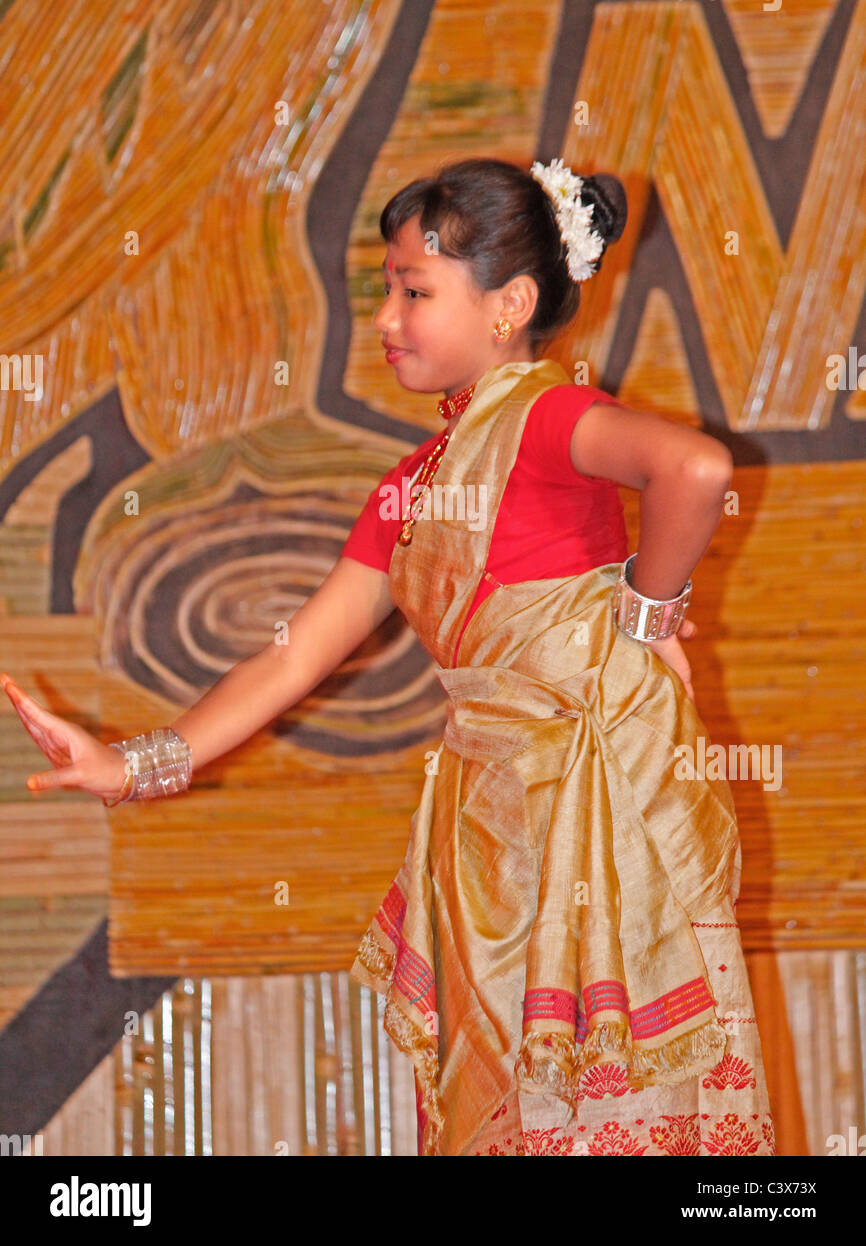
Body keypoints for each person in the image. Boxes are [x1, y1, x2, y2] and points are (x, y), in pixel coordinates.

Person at [2, 156, 775, 1159]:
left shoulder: (543, 420)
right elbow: (289, 661)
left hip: (596, 815)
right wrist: (129, 767)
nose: (386, 319)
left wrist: (644, 615)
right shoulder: (410, 485)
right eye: (385, 291)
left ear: (511, 306)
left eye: (414, 292)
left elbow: (695, 467)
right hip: (486, 836)